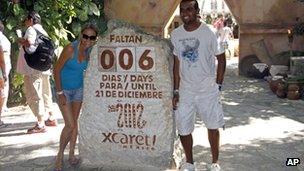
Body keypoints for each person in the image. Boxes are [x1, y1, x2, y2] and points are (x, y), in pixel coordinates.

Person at [171, 0, 226, 171]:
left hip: (208, 89)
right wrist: (176, 90)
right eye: (182, 10)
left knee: (213, 126)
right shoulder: (176, 34)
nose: (185, 12)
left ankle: (215, 162)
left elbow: (221, 59)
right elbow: (176, 64)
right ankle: (189, 163)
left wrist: (218, 85)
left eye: (189, 9)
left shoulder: (209, 32)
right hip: (186, 90)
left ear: (196, 11)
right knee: (183, 127)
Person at [53, 23, 98, 170]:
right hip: (64, 90)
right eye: (85, 36)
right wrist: (60, 93)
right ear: (81, 35)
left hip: (78, 90)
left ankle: (71, 154)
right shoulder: (70, 49)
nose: (87, 40)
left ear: (95, 39)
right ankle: (59, 155)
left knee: (74, 123)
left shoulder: (88, 51)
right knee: (70, 124)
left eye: (91, 38)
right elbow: (56, 70)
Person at [16, 11, 57, 134]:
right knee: (45, 93)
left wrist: (21, 41)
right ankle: (51, 117)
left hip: (32, 68)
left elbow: (29, 42)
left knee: (34, 94)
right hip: (44, 67)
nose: (25, 22)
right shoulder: (43, 31)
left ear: (31, 19)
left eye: (26, 19)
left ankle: (40, 123)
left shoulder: (31, 29)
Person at [0, 21, 11, 118]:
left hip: (3, 63)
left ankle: (3, 107)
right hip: (5, 63)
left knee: (3, 86)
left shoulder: (1, 39)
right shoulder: (5, 39)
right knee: (4, 86)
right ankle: (3, 107)